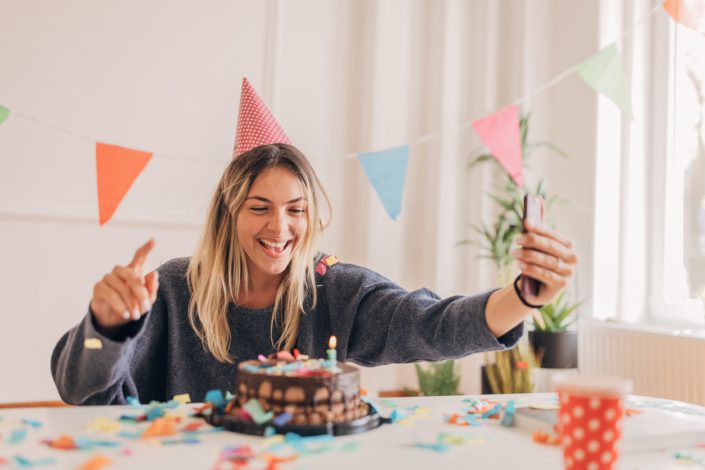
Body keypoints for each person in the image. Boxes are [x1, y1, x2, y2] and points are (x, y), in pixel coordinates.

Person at [51, 80, 578, 405]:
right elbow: (80, 387)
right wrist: (106, 326)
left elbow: (432, 325)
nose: (280, 228)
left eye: (296, 210)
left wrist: (525, 296)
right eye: (259, 208)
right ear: (227, 214)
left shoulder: (333, 291)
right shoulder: (170, 289)